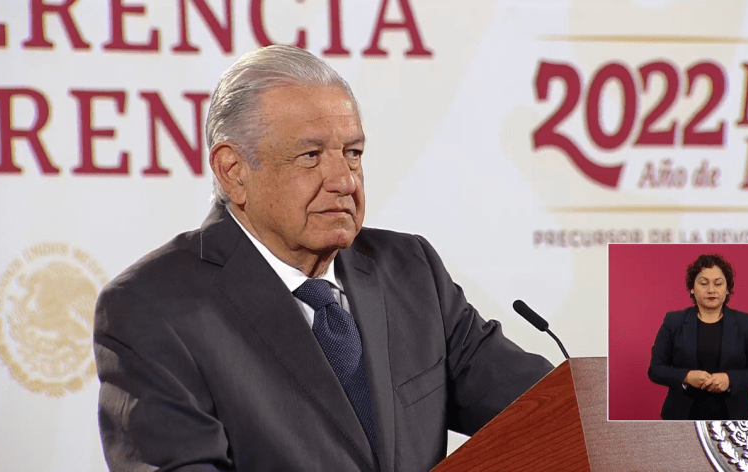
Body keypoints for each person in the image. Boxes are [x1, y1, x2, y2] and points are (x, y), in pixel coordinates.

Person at [93, 45, 554, 471]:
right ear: (233, 171)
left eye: (352, 153)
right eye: (310, 155)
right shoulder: (152, 308)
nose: (345, 180)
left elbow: (548, 410)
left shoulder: (410, 269)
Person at [647, 254, 748, 420]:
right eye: (703, 283)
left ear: (727, 288)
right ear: (692, 287)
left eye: (718, 283)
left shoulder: (746, 323)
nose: (711, 290)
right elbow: (655, 369)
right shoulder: (673, 322)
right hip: (682, 417)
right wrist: (686, 377)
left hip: (734, 418)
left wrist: (730, 380)